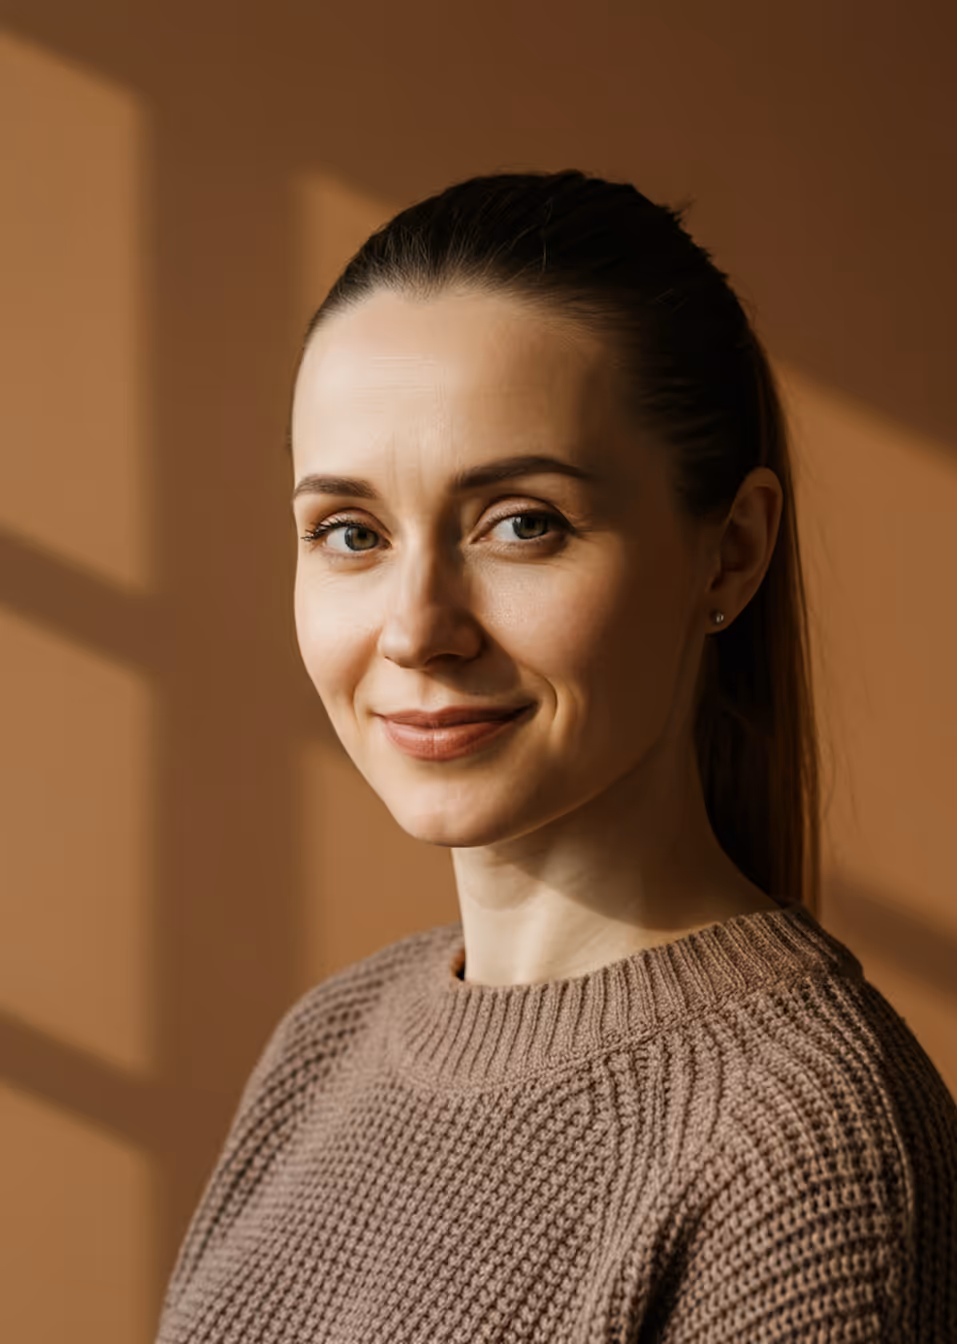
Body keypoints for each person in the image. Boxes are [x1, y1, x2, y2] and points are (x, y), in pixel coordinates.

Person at [155, 169, 957, 1342]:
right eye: (351, 533)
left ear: (730, 552)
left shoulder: (805, 1147)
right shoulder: (327, 1044)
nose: (417, 626)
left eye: (522, 524)